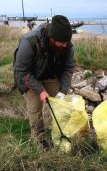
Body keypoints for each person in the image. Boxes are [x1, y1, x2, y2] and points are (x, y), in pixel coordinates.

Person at [14, 15, 74, 149]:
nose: (64, 45)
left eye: (66, 42)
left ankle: (56, 131)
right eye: (61, 43)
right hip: (30, 76)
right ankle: (39, 139)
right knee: (35, 109)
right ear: (51, 38)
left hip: (50, 75)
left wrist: (62, 92)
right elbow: (22, 71)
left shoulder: (66, 43)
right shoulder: (29, 41)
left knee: (60, 103)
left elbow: (68, 68)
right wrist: (40, 91)